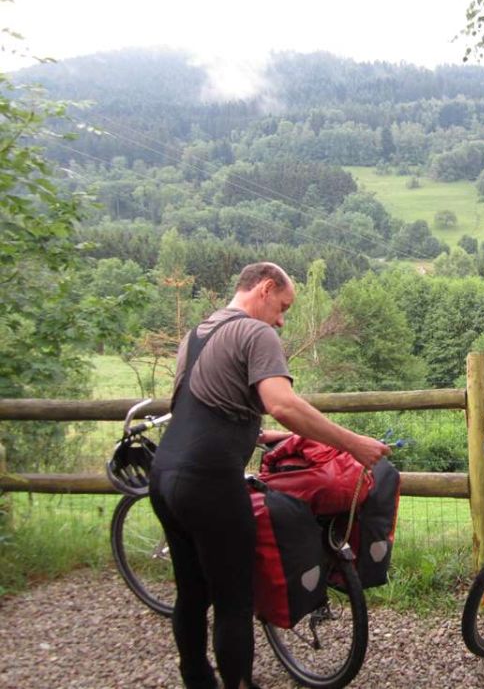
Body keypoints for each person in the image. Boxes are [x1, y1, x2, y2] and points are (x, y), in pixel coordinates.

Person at [149, 262, 390, 689]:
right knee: (234, 601)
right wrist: (353, 443)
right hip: (210, 483)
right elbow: (283, 403)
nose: (281, 321)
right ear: (264, 288)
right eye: (283, 307)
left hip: (165, 476)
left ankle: (198, 680)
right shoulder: (256, 333)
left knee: (192, 592)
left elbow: (206, 407)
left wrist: (260, 436)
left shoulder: (198, 334)